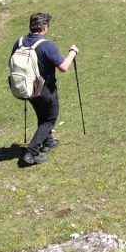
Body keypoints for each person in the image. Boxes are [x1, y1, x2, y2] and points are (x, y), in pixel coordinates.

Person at [13, 12, 78, 166]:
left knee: (42, 116)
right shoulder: (47, 45)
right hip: (45, 89)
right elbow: (63, 67)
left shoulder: (19, 42)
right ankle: (31, 153)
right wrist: (72, 53)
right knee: (49, 119)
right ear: (44, 27)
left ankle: (48, 141)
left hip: (27, 88)